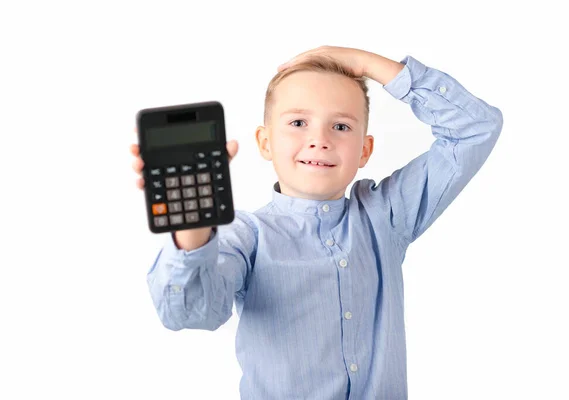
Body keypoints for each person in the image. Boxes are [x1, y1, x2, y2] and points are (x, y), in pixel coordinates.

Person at [130, 45, 503, 399]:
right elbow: (190, 312)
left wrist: (368, 64)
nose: (319, 140)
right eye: (298, 122)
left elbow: (476, 128)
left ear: (365, 150)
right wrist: (194, 226)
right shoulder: (246, 236)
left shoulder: (386, 215)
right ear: (265, 143)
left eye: (340, 127)